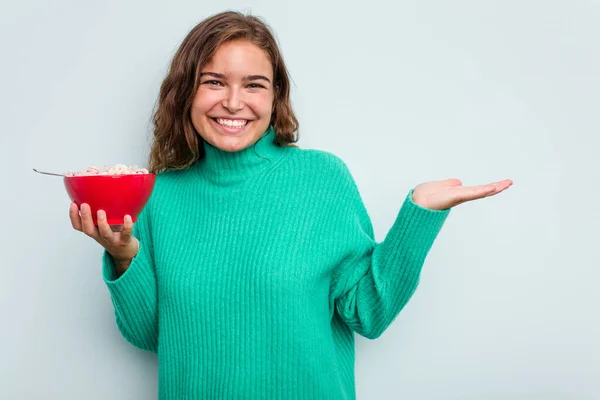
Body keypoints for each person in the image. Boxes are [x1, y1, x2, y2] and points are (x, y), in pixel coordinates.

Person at [69, 10, 512, 400]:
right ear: (186, 92)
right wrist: (124, 256)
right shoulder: (158, 195)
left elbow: (369, 313)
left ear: (275, 95)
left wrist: (419, 214)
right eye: (214, 82)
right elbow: (156, 337)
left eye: (253, 85)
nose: (233, 102)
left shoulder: (321, 179)